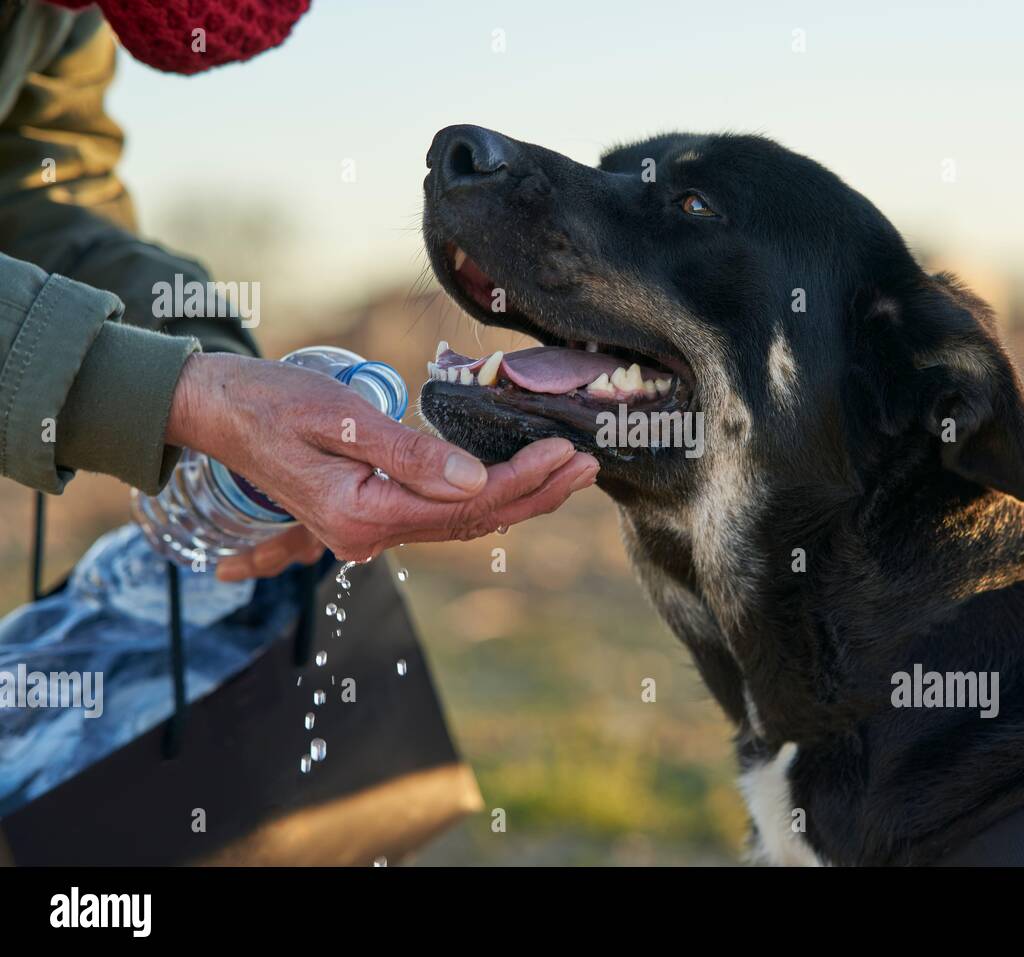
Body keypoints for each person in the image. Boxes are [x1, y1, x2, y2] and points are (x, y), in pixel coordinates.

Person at [0, 0, 598, 582]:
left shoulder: (60, 17)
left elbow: (43, 197)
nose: (78, 17)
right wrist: (180, 397)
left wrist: (219, 378)